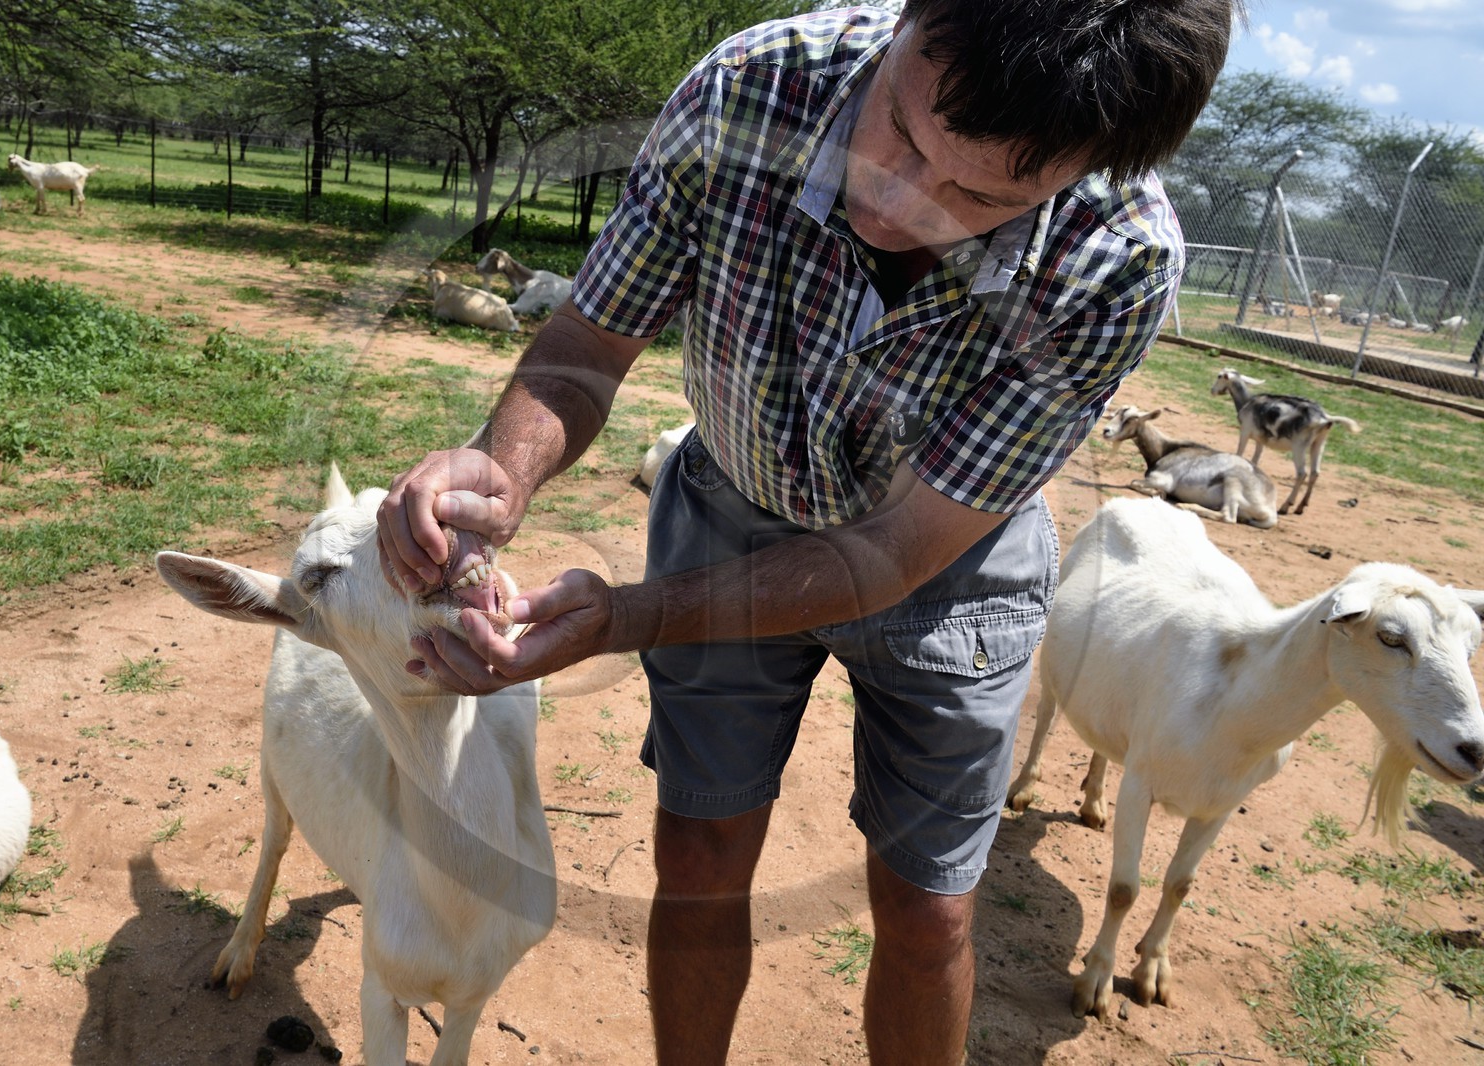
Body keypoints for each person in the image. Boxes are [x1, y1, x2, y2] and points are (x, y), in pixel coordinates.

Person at [376, 1, 1236, 1061]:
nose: (896, 200)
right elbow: (587, 345)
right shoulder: (749, 90)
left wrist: (627, 618)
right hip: (728, 506)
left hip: (949, 563)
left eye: (979, 198)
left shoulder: (1119, 258)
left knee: (929, 912)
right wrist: (497, 476)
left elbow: (896, 551)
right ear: (909, 16)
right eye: (900, 129)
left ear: (1091, 166)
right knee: (699, 858)